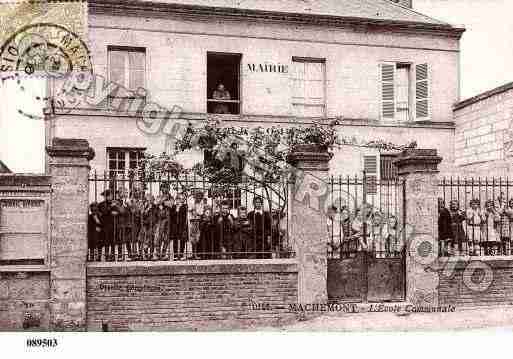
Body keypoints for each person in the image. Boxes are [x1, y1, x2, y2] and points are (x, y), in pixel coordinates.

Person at [98, 189, 120, 261]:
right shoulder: (101, 204)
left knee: (113, 241)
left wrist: (116, 211)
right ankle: (107, 256)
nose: (112, 197)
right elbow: (104, 212)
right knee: (106, 241)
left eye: (111, 195)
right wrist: (110, 208)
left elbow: (119, 212)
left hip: (114, 225)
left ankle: (112, 256)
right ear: (106, 197)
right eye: (110, 195)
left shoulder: (115, 203)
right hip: (105, 226)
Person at [170, 193, 188, 260]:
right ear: (176, 199)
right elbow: (171, 215)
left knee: (182, 240)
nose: (180, 200)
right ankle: (175, 255)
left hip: (182, 225)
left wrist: (180, 209)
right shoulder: (174, 207)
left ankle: (181, 254)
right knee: (175, 240)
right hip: (175, 225)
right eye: (179, 199)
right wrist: (176, 210)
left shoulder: (184, 207)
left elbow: (185, 216)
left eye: (182, 199)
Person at [154, 194, 171, 260]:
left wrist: (163, 202)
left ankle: (163, 254)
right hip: (160, 222)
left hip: (167, 222)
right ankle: (158, 254)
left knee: (166, 239)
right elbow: (156, 202)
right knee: (158, 238)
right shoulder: (159, 198)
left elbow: (170, 204)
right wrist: (162, 201)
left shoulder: (170, 198)